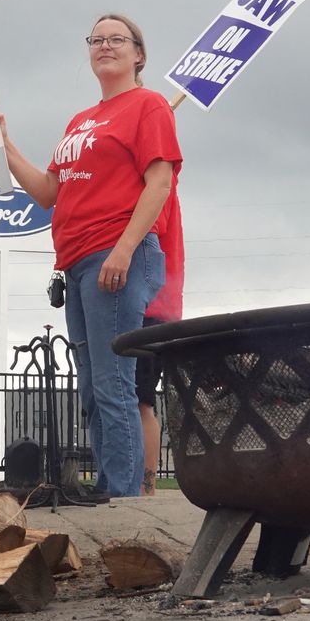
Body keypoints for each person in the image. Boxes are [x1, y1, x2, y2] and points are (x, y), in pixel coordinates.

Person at [0, 14, 182, 497]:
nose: (104, 45)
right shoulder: (81, 120)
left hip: (116, 253)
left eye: (117, 39)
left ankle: (122, 495)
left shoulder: (149, 105)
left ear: (139, 54)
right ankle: (113, 486)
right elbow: (48, 192)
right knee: (92, 387)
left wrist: (124, 249)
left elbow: (160, 182)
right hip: (77, 262)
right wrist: (4, 146)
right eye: (96, 39)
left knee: (114, 384)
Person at [136, 186, 184, 496]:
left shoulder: (157, 190)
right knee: (141, 400)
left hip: (149, 308)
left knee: (140, 401)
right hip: (158, 308)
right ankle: (145, 484)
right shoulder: (163, 188)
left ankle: (146, 486)